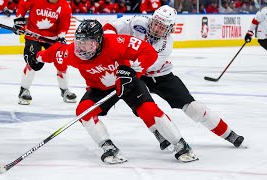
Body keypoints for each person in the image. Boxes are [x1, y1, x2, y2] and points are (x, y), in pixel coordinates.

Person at [25, 19, 199, 164]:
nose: (82, 49)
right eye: (80, 42)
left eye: (88, 43)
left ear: (100, 41)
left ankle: (181, 145)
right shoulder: (71, 53)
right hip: (99, 89)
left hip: (127, 83)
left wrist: (133, 72)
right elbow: (53, 52)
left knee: (149, 110)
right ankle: (108, 147)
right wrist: (36, 58)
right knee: (83, 112)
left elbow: (149, 52)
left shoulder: (117, 42)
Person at [103, 5, 245, 150]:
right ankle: (160, 134)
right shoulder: (137, 22)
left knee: (194, 107)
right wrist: (110, 44)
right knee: (143, 107)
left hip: (159, 75)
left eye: (162, 27)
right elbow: (110, 27)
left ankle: (229, 134)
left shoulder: (166, 45)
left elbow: (144, 65)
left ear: (170, 29)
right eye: (156, 23)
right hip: (135, 74)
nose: (157, 29)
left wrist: (123, 63)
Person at [14, 0, 77, 105]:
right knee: (34, 63)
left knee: (61, 60)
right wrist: (19, 20)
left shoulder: (64, 5)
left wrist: (61, 36)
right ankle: (23, 90)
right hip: (33, 35)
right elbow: (23, 4)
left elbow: (64, 23)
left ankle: (65, 90)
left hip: (51, 38)